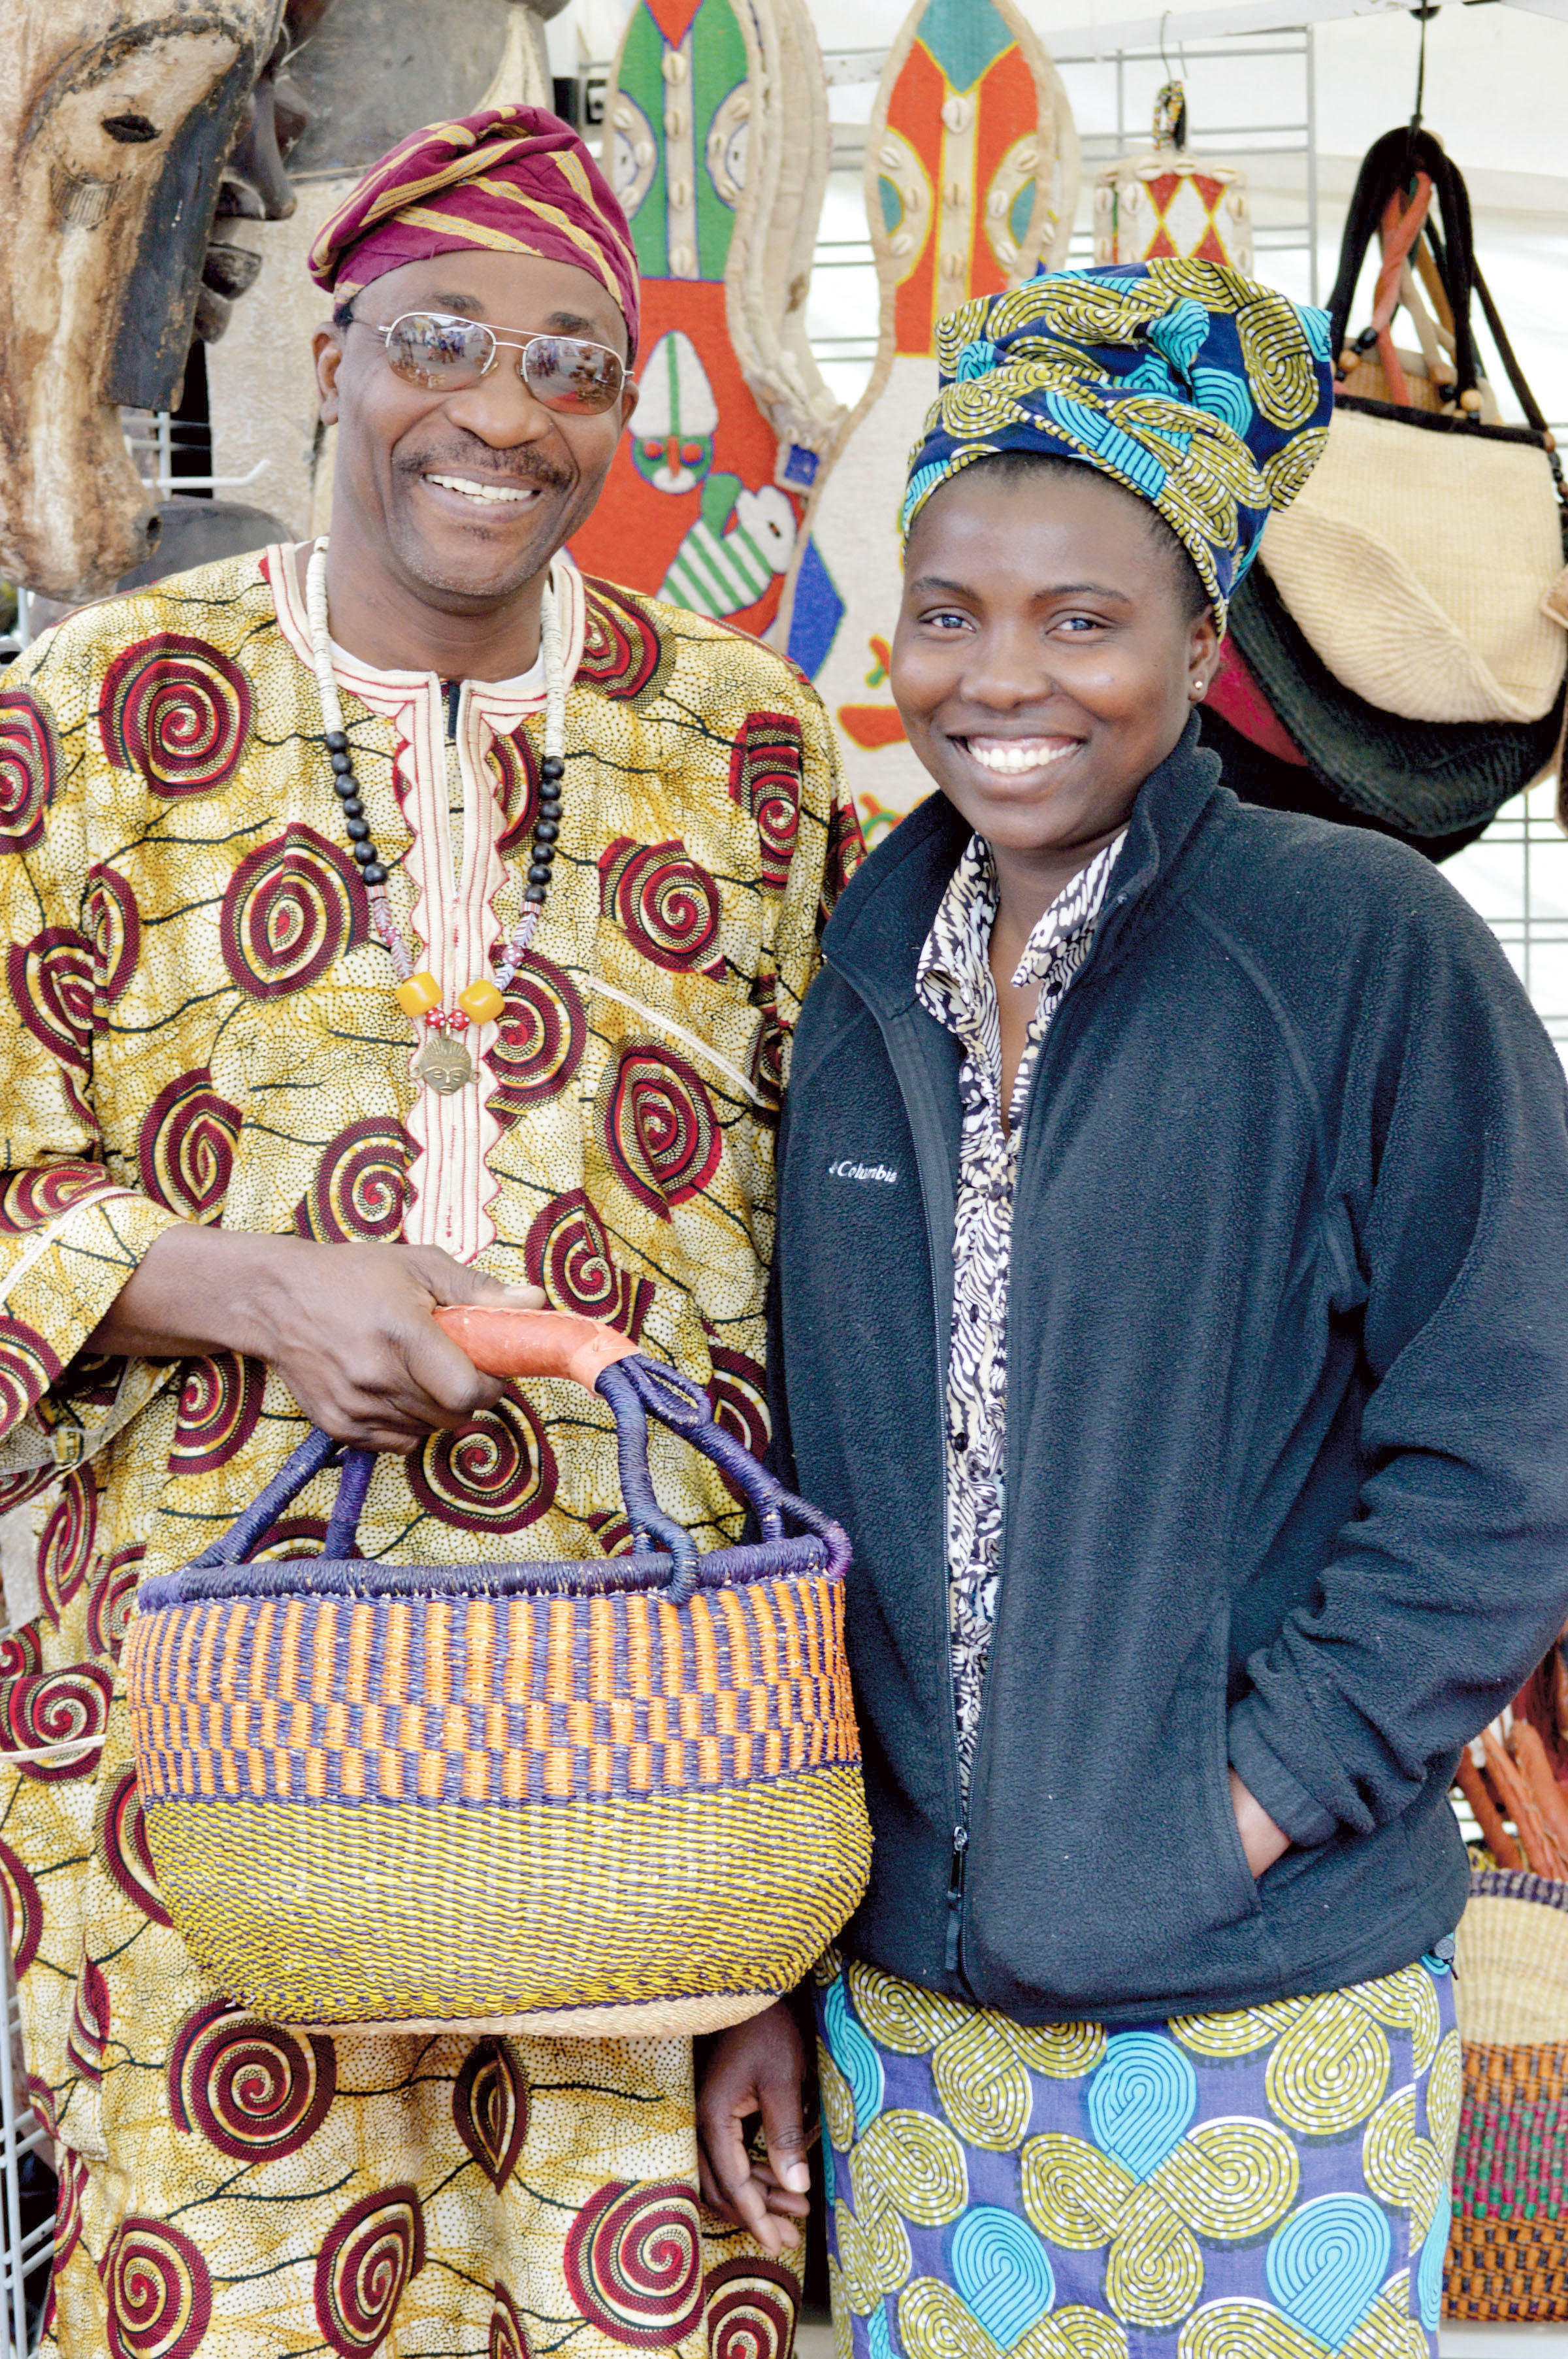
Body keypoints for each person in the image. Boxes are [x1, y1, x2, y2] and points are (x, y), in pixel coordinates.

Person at [0, 104, 859, 2359]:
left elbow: (831, 1298)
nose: (500, 412)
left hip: (650, 1759)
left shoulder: (754, 756)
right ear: (327, 350)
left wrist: (780, 1940)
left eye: (572, 364)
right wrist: (253, 1287)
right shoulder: (85, 727)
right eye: (442, 341)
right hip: (204, 1767)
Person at [697, 261, 1568, 2354]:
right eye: (952, 610)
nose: (1008, 677)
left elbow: (1508, 1447)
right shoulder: (851, 976)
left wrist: (1243, 1803)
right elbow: (814, 1500)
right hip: (915, 2022)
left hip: (1273, 2005)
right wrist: (787, 1950)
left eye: (1086, 619)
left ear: (1201, 641)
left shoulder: (1361, 950)